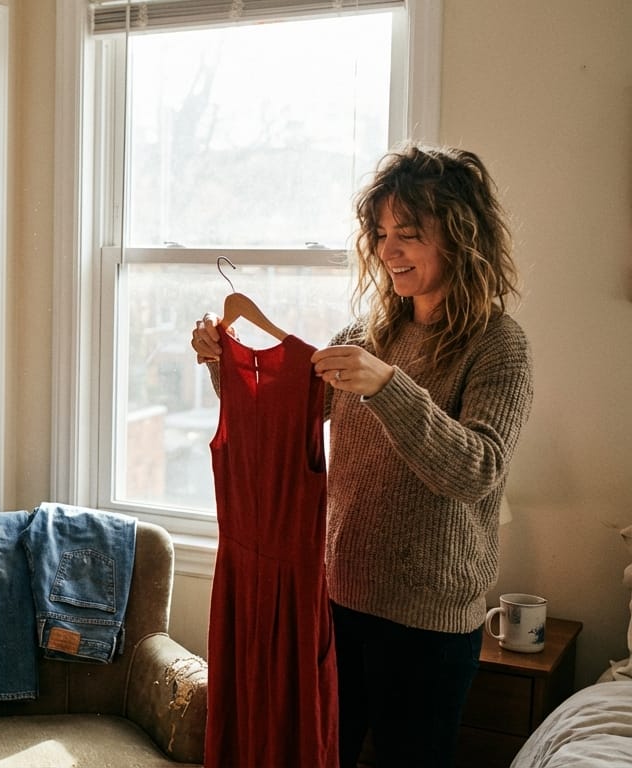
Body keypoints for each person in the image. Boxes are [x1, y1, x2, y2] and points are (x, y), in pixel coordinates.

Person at [191, 143, 534, 767]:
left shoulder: (498, 346)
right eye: (380, 234)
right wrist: (226, 366)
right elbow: (287, 414)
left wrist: (388, 387)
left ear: (459, 237)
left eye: (407, 235)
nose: (387, 251)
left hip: (430, 624)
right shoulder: (366, 335)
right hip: (335, 602)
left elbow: (477, 471)